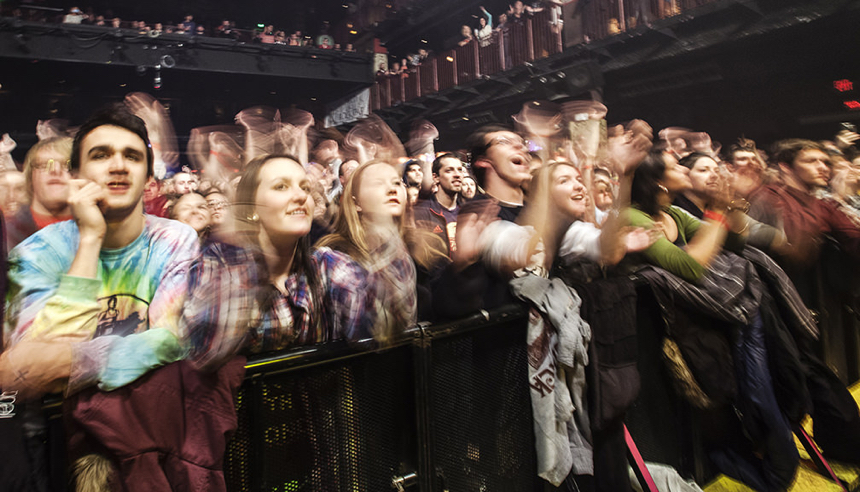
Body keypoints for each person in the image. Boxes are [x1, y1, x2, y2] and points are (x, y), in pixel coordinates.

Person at [184, 155, 419, 373]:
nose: (300, 196)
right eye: (281, 186)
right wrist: (244, 258)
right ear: (251, 208)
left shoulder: (325, 265)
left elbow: (383, 327)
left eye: (305, 187)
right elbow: (206, 351)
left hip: (320, 415)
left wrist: (382, 226)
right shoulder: (219, 261)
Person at [6, 136, 73, 250]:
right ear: (30, 177)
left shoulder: (103, 227)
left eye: (67, 165)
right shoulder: (7, 232)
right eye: (44, 165)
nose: (55, 170)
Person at [413, 153, 465, 256]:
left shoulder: (468, 212)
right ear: (436, 177)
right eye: (449, 170)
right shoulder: (421, 213)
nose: (457, 175)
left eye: (460, 170)